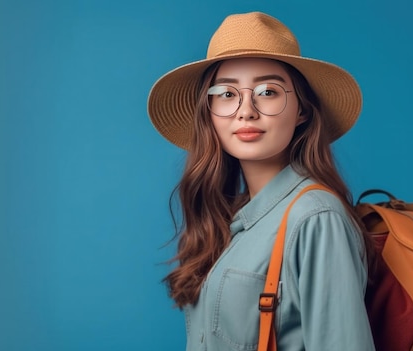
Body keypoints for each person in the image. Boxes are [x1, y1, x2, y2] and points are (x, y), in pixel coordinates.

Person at [147, 11, 376, 351]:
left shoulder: (317, 219)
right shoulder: (233, 219)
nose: (245, 110)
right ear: (208, 113)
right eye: (226, 93)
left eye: (268, 91)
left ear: (302, 110)